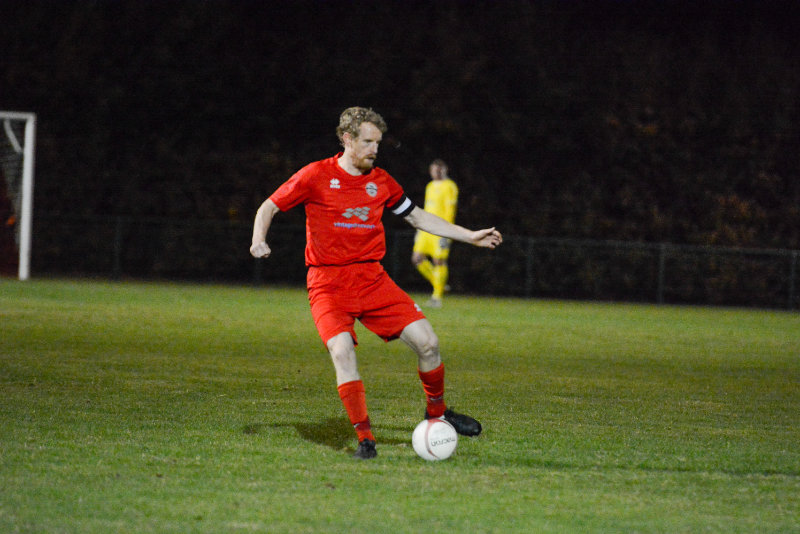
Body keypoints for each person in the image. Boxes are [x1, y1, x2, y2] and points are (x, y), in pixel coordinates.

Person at [250, 107, 502, 459]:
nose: (375, 150)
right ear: (347, 139)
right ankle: (366, 439)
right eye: (368, 142)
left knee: (428, 343)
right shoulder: (316, 175)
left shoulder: (381, 181)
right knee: (342, 351)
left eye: (378, 143)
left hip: (372, 279)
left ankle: (437, 414)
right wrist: (258, 239)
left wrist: (469, 236)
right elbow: (269, 206)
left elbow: (417, 216)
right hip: (328, 282)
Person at [411, 159, 458, 308]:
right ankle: (439, 284)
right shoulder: (430, 186)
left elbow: (450, 210)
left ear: (444, 170)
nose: (435, 173)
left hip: (441, 229)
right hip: (426, 228)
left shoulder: (450, 186)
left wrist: (447, 231)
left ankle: (436, 297)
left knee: (439, 260)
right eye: (432, 170)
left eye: (437, 170)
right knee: (417, 258)